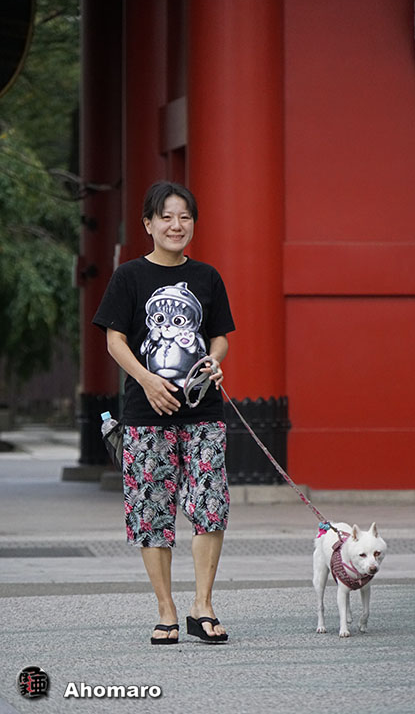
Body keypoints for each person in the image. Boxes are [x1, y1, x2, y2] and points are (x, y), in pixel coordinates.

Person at [93, 181, 235, 644]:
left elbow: (219, 336)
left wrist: (215, 360)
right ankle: (166, 609)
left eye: (185, 217)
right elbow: (115, 340)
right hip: (146, 412)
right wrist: (147, 380)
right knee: (151, 510)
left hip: (203, 410)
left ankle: (202, 605)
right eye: (167, 217)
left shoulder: (208, 277)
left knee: (211, 506)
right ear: (148, 224)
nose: (177, 225)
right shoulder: (129, 277)